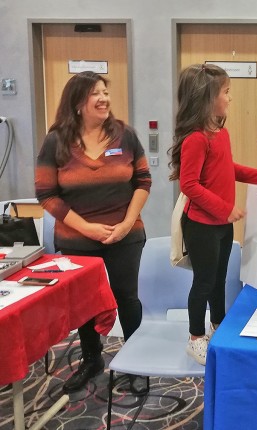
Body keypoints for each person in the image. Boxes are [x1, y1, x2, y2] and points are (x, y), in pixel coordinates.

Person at [35, 71, 151, 393]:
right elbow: (46, 194)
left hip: (125, 234)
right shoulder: (57, 140)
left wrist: (126, 224)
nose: (103, 98)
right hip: (77, 238)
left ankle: (136, 358)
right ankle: (91, 359)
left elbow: (143, 181)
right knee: (85, 302)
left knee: (127, 298)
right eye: (94, 94)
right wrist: (87, 228)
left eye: (105, 92)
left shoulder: (124, 135)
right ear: (76, 102)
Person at [168, 64, 257, 365]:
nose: (230, 98)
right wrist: (224, 208)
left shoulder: (219, 133)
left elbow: (227, 169)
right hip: (202, 225)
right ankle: (195, 337)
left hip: (220, 224)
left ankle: (218, 326)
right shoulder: (195, 139)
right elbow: (189, 185)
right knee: (203, 282)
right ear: (206, 98)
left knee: (219, 279)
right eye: (226, 92)